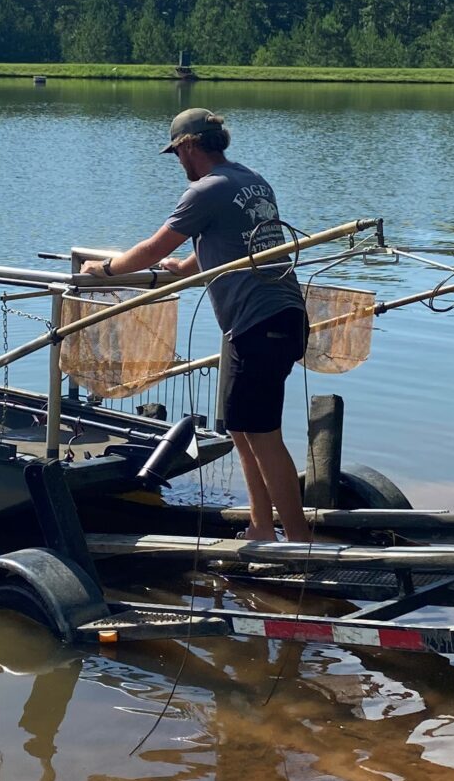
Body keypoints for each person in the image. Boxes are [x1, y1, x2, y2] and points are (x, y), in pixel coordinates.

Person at [81, 108, 313, 543]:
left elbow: (151, 248)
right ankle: (262, 526)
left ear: (189, 145)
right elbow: (237, 240)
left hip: (262, 322)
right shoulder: (251, 179)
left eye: (177, 153)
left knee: (264, 436)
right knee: (242, 430)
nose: (178, 162)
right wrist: (186, 265)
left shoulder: (205, 190)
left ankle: (300, 544)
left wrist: (107, 269)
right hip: (279, 318)